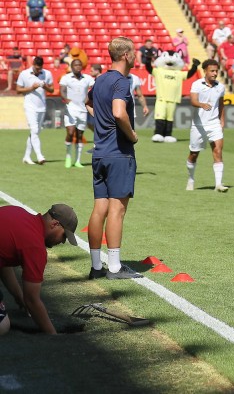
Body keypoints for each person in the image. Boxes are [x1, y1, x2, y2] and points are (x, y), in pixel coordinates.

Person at [85, 37, 142, 279]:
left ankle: (96, 266)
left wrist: (101, 123)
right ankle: (115, 267)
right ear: (126, 55)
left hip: (99, 153)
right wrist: (132, 135)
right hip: (119, 154)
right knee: (117, 211)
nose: (136, 56)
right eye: (134, 53)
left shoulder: (100, 80)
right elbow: (119, 113)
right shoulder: (120, 82)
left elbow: (87, 102)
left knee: (100, 208)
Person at [0, 203, 80, 335]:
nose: (62, 241)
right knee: (2, 326)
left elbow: (3, 263)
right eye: (64, 236)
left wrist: (18, 296)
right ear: (55, 224)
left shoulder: (18, 212)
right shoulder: (36, 247)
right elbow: (32, 299)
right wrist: (53, 335)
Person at [186, 59, 228, 193]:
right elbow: (193, 101)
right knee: (194, 154)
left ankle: (218, 184)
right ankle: (191, 179)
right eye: (212, 71)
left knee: (218, 151)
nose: (215, 73)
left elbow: (221, 104)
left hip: (214, 124)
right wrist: (201, 104)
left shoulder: (220, 87)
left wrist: (222, 120)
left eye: (216, 71)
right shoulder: (197, 84)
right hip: (198, 125)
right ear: (205, 71)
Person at [16, 56, 53, 165]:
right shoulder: (24, 74)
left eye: (40, 68)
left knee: (35, 132)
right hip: (30, 106)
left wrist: (44, 86)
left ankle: (27, 157)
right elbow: (18, 90)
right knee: (35, 130)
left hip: (42, 106)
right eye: (36, 68)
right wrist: (32, 88)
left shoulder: (47, 73)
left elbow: (51, 89)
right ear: (33, 65)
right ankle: (39, 156)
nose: (38, 70)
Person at [59, 59, 95, 168]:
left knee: (80, 135)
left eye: (80, 65)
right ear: (71, 66)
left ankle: (78, 161)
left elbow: (95, 88)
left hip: (83, 110)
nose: (78, 67)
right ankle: (68, 156)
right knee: (70, 133)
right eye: (75, 65)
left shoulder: (87, 78)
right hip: (70, 109)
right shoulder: (66, 78)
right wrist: (66, 99)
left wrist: (90, 99)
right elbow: (62, 90)